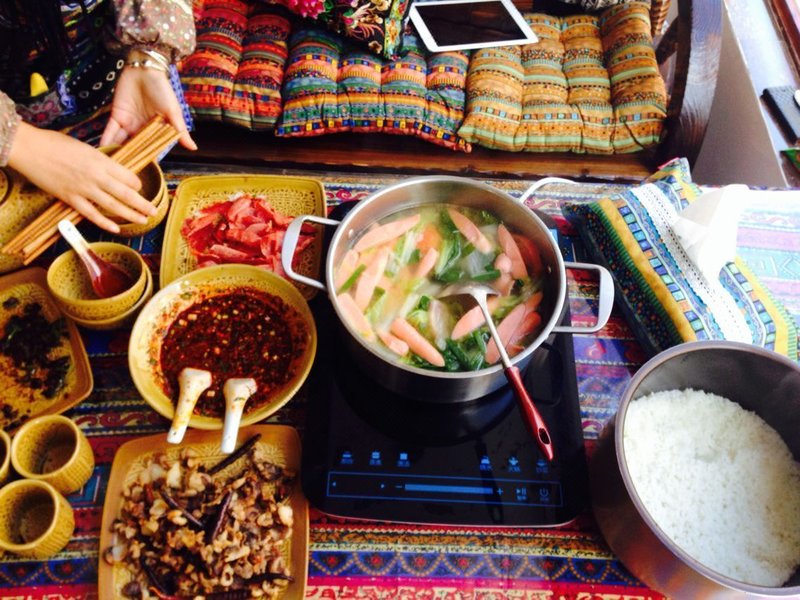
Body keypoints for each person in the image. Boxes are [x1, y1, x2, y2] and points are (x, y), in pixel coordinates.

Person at [0, 0, 197, 233]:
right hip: (15, 120)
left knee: (123, 174)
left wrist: (147, 58)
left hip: (121, 77)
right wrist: (19, 142)